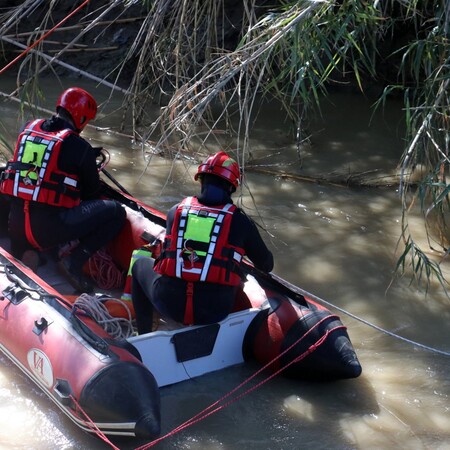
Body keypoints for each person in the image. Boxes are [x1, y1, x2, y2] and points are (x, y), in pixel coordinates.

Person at [131, 151, 274, 334]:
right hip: (214, 312)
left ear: (201, 180)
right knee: (235, 277)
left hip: (169, 304)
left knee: (139, 265)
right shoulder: (241, 222)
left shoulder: (176, 212)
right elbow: (266, 265)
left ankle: (143, 334)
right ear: (232, 187)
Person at [0, 87, 126, 292]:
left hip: (15, 225)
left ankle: (26, 251)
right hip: (48, 230)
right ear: (82, 118)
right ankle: (73, 262)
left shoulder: (28, 128)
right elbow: (92, 193)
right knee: (116, 212)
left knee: (31, 209)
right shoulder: (80, 147)